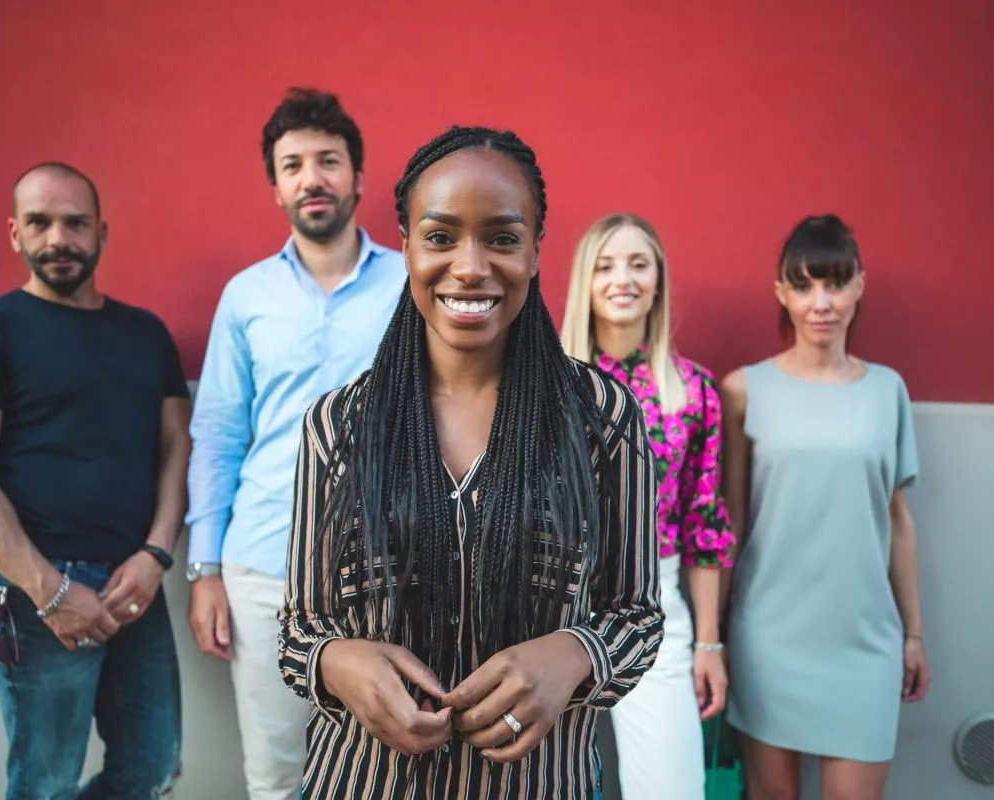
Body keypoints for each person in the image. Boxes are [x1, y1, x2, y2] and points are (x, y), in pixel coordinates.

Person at [277, 126, 664, 799]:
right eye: (441, 236)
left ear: (537, 251)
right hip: (363, 782)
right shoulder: (338, 425)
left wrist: (572, 655)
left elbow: (636, 612)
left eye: (502, 239)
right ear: (405, 247)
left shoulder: (604, 419)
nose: (470, 266)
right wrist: (339, 662)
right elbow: (299, 629)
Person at [0, 162, 190, 798]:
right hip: (33, 592)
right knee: (47, 783)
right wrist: (49, 590)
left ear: (102, 232)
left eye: (75, 223)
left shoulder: (145, 334)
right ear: (15, 234)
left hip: (135, 586)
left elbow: (177, 446)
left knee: (151, 768)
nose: (58, 239)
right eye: (40, 223)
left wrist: (156, 554)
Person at [184, 87, 405, 800]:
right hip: (263, 569)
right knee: (279, 774)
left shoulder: (411, 284)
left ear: (358, 178)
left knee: (388, 763)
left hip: (392, 568)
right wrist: (206, 569)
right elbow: (217, 432)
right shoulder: (246, 296)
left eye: (328, 161)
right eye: (294, 165)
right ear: (275, 185)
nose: (312, 178)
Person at [721, 214, 931, 800]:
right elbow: (732, 521)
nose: (821, 303)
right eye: (805, 285)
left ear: (859, 285)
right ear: (781, 293)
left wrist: (914, 634)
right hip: (768, 634)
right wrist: (711, 640)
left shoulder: (887, 390)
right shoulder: (743, 389)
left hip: (865, 641)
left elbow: (898, 520)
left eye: (835, 284)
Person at [560, 212, 734, 800]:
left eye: (638, 264)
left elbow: (704, 525)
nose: (622, 279)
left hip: (652, 603)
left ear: (658, 280)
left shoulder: (692, 391)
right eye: (606, 266)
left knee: (672, 789)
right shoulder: (545, 386)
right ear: (585, 281)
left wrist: (708, 644)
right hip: (549, 604)